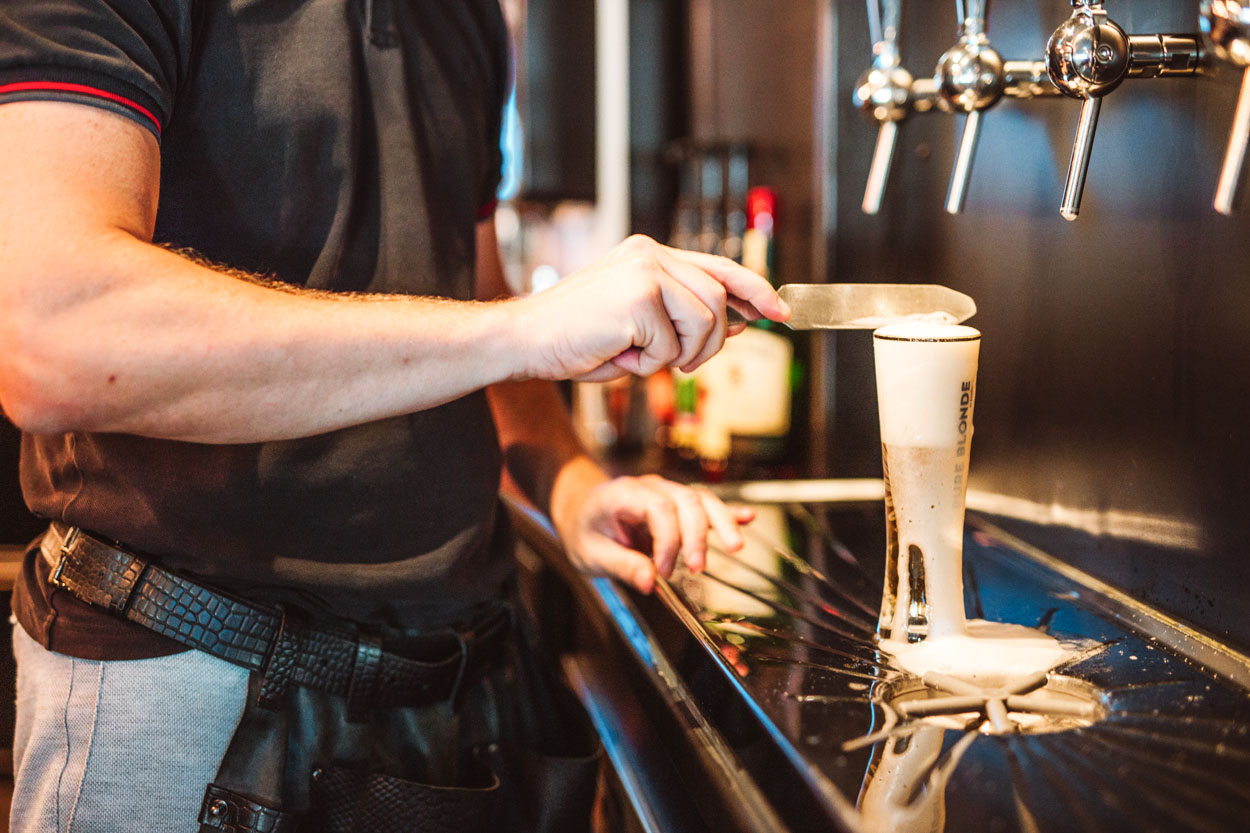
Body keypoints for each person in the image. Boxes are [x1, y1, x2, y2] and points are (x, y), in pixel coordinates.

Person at [0, 1, 788, 831]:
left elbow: (471, 298)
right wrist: (523, 329)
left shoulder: (464, 17)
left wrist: (571, 482)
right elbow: (54, 335)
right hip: (193, 680)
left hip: (464, 685)